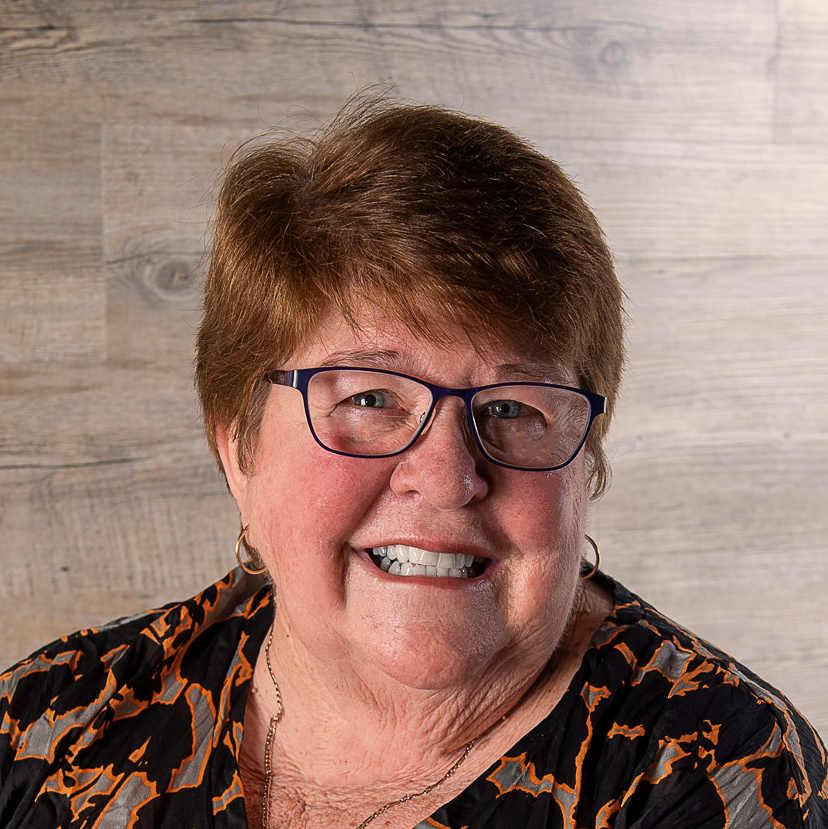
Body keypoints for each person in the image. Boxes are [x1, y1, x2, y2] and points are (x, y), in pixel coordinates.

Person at [1, 97, 826, 829]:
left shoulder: (712, 768)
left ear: (586, 467)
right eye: (369, 398)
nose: (445, 475)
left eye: (512, 407)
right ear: (238, 446)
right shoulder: (50, 725)